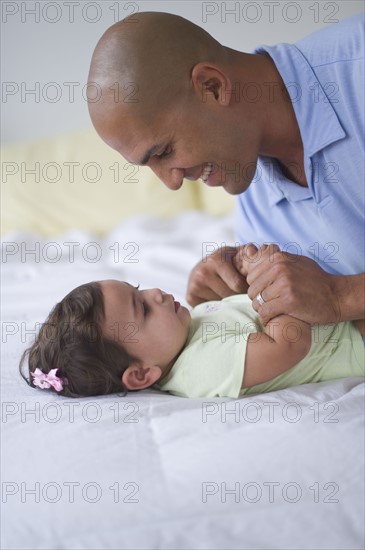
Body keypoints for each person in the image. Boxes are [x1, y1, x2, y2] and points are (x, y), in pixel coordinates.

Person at [86, 11, 364, 333]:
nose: (171, 182)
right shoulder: (253, 200)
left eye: (164, 152)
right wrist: (239, 293)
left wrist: (341, 295)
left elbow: (334, 301)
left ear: (213, 86)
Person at [19, 247, 364, 398]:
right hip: (354, 342)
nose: (154, 293)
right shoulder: (199, 369)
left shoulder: (186, 330)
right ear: (141, 374)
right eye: (142, 308)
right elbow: (289, 345)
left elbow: (238, 312)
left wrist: (248, 269)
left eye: (138, 289)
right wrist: (273, 283)